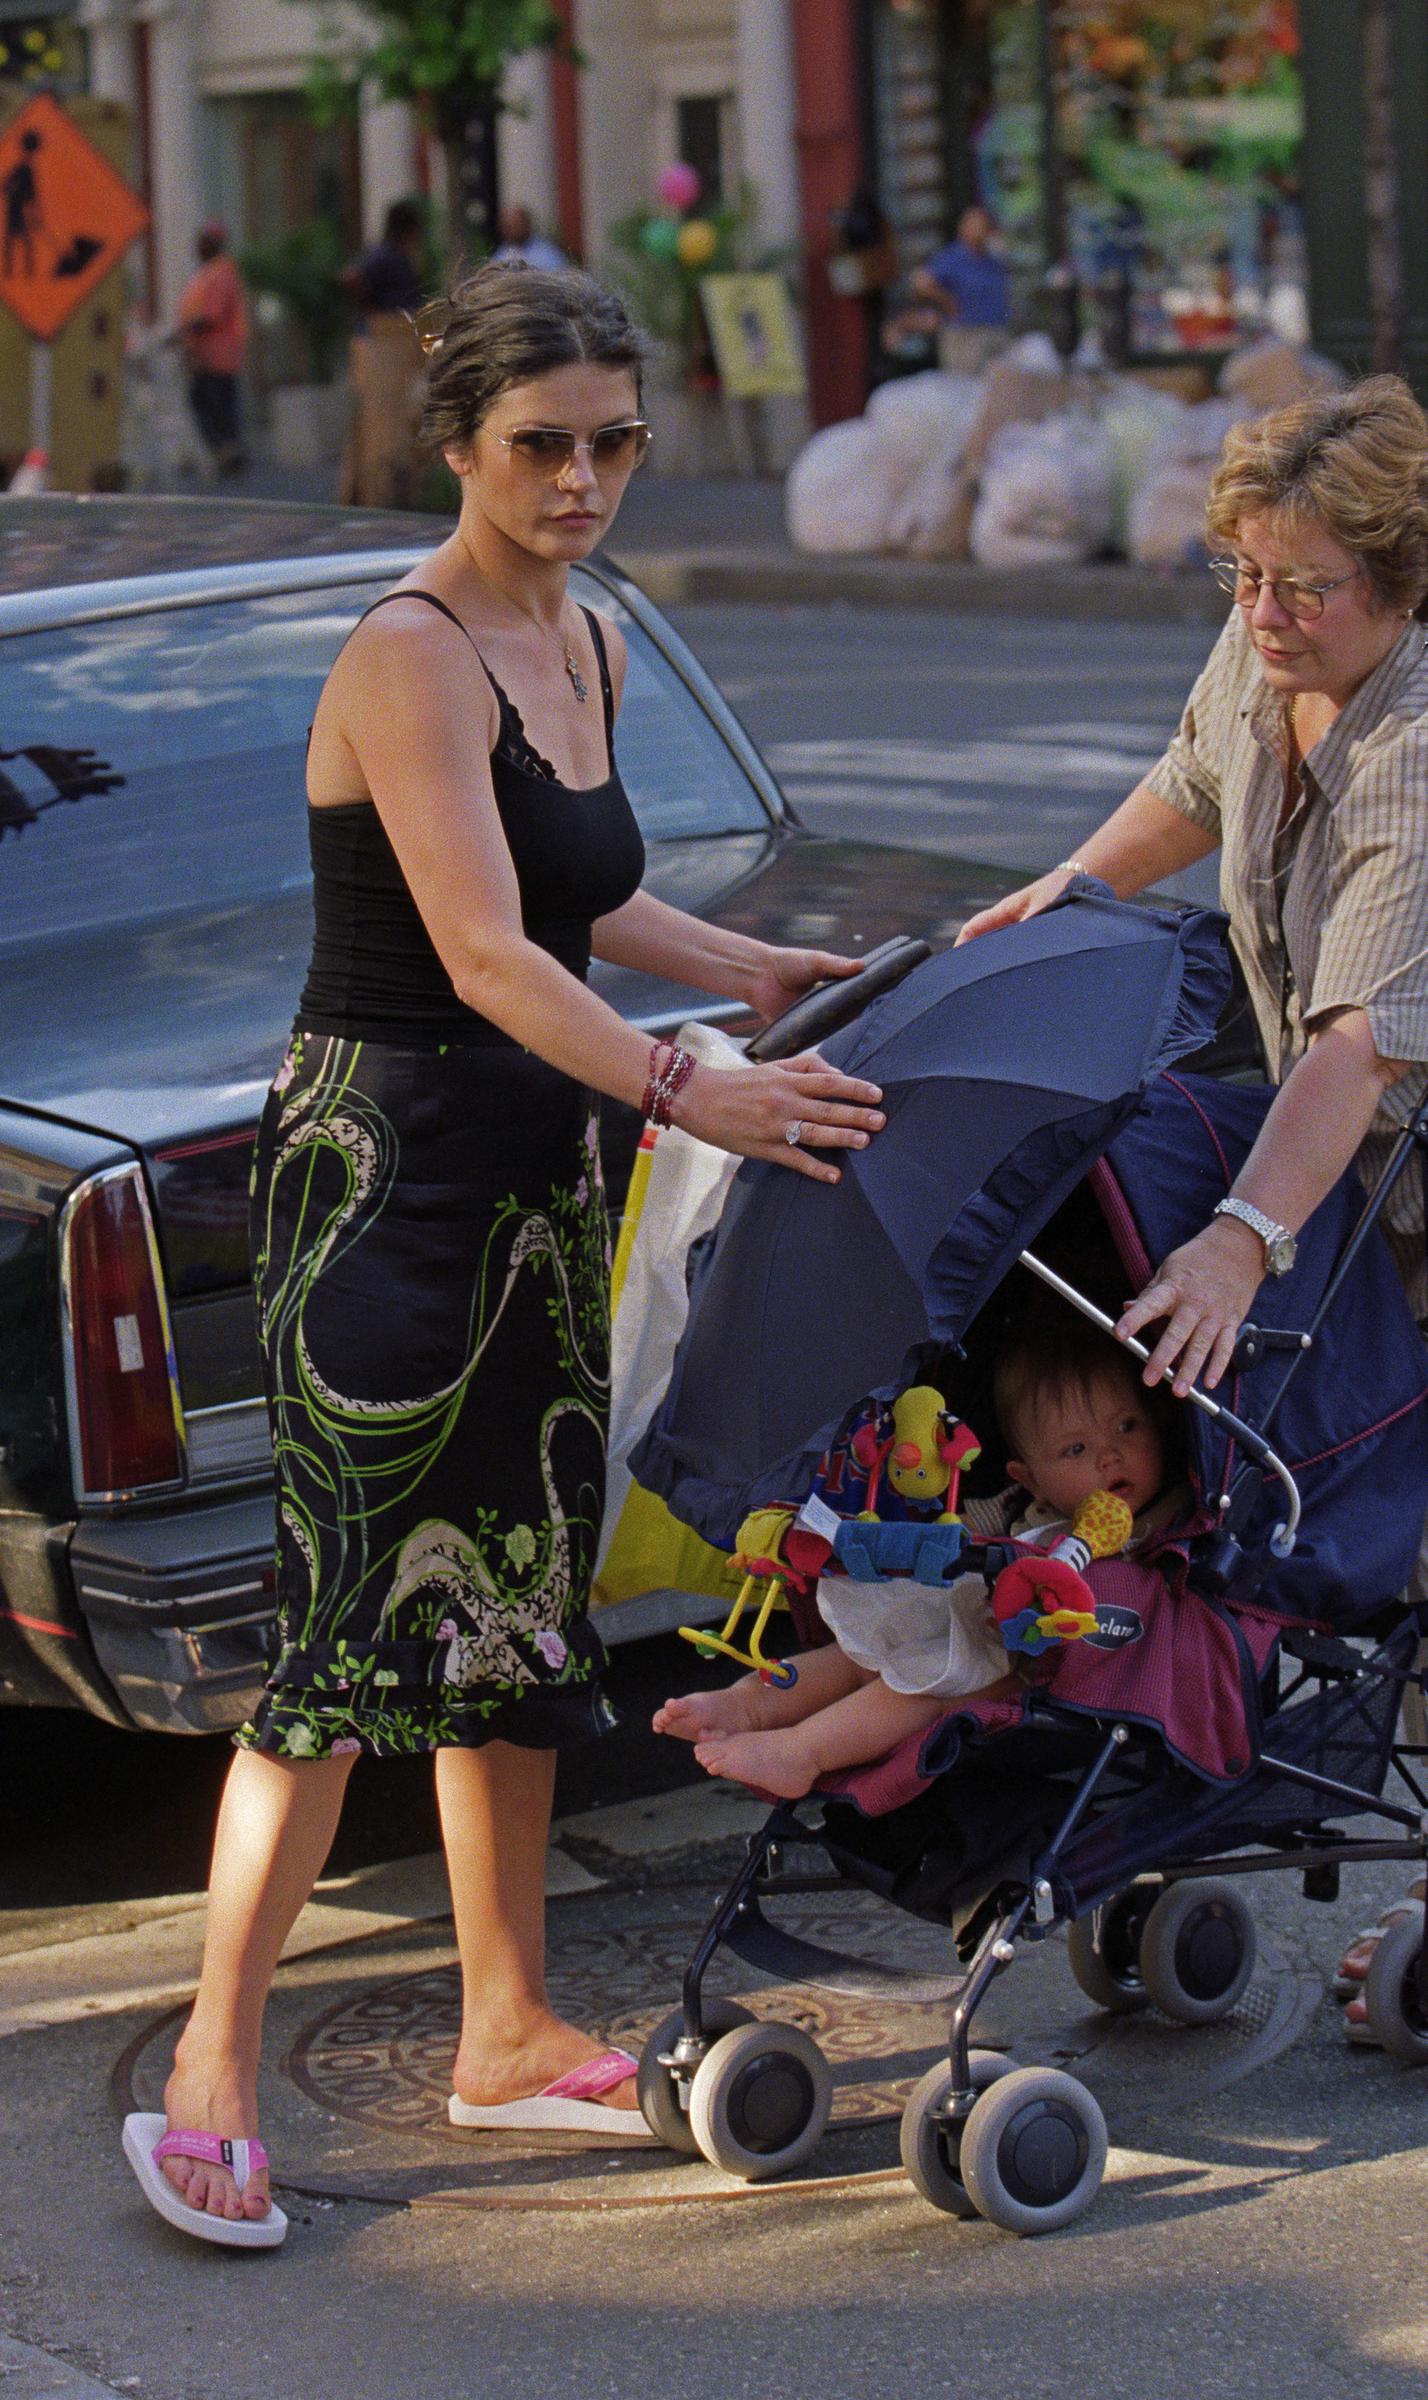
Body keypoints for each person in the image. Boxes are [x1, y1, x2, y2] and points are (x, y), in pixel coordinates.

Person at [124, 260, 887, 2245]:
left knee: (517, 1610)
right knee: (346, 1628)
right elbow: (472, 952)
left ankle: (506, 2029)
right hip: (384, 1182)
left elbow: (586, 902)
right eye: (541, 446)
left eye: (614, 443)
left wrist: (756, 969)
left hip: (537, 1170)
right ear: (452, 440)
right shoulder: (414, 651)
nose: (582, 480)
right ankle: (213, 2054)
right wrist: (683, 1086)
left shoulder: (588, 633)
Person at [957, 374, 1428, 2035]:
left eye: (1301, 587)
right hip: (1355, 1184)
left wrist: (1238, 1237)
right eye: (1239, 572)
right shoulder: (1267, 639)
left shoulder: (1416, 753)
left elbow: (1358, 1049)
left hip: (1376, 1155)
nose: (1260, 611)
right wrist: (1058, 895)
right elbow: (1193, 776)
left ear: (1399, 582)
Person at [654, 1330, 1173, 1801]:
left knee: (920, 1688)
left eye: (1127, 1426)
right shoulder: (1019, 1504)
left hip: (1026, 1670)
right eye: (1076, 1448)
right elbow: (954, 1530)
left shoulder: (1159, 1522)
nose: (1111, 1456)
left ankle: (801, 1751)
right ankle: (745, 1705)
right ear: (1029, 1477)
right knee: (855, 1658)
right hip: (960, 1625)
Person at [338, 197, 428, 508]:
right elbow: (351, 278)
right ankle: (378, 492)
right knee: (381, 426)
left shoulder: (397, 256)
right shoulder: (385, 256)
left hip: (396, 343)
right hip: (384, 346)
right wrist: (370, 307)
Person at [173, 223, 248, 475]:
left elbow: (210, 315)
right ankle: (225, 452)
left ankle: (227, 452)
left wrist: (181, 331)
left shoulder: (221, 273)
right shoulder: (208, 273)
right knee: (209, 402)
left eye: (202, 241)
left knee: (214, 404)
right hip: (206, 353)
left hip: (217, 353)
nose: (197, 247)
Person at [909, 203, 1012, 376]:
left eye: (985, 225)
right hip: (966, 335)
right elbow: (921, 282)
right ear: (964, 227)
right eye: (977, 224)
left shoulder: (992, 258)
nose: (982, 229)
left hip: (996, 331)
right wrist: (947, 301)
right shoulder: (952, 258)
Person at [493, 203, 567, 273]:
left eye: (516, 225)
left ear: (528, 225)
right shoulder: (501, 254)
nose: (510, 230)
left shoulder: (548, 254)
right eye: (507, 226)